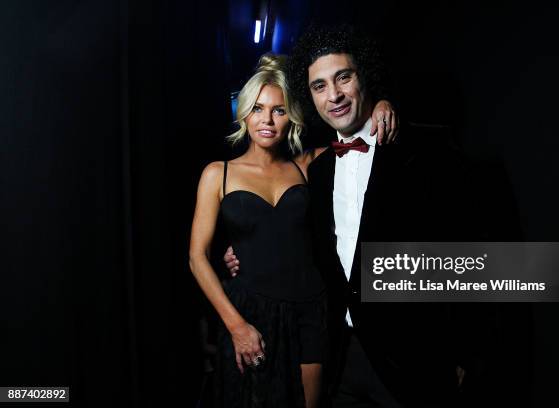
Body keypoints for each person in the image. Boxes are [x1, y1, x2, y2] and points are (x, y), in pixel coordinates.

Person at [225, 25, 477, 407]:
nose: (335, 95)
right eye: (320, 86)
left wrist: (462, 350)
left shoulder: (421, 152)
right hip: (338, 357)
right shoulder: (317, 169)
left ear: (364, 78)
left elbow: (462, 246)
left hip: (412, 359)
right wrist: (244, 250)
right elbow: (294, 234)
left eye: (344, 77)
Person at [189, 54, 397, 408]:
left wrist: (381, 103)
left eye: (279, 110)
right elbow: (197, 258)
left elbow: (357, 138)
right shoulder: (217, 173)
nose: (267, 120)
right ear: (244, 113)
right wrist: (236, 326)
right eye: (257, 108)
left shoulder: (309, 164)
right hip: (250, 312)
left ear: (292, 117)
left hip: (311, 311)